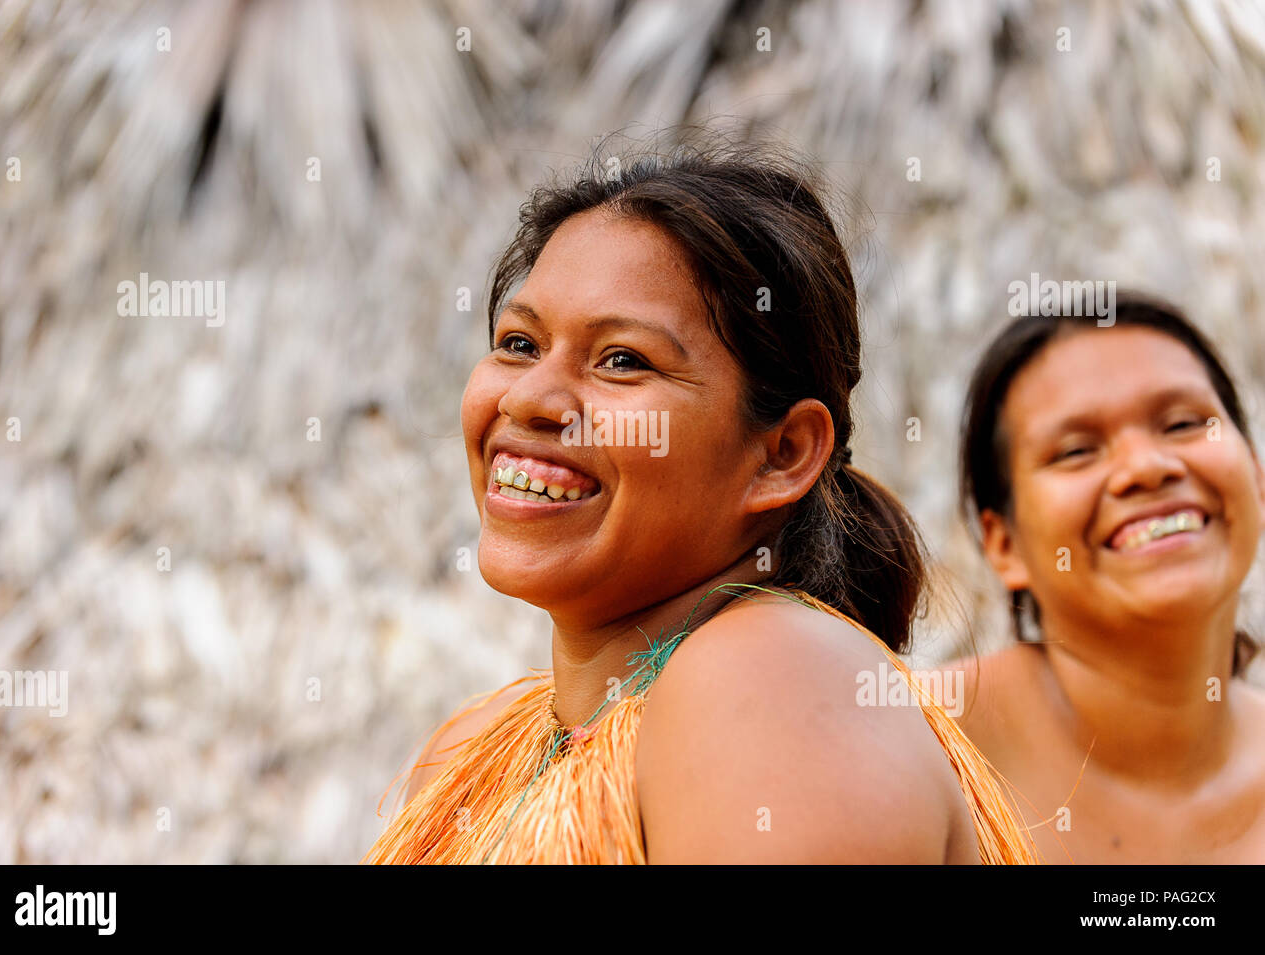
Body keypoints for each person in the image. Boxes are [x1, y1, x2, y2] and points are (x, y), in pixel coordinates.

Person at [365, 138, 1036, 864]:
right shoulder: (474, 750)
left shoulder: (773, 685)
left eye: (623, 360)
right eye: (520, 344)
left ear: (782, 455)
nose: (528, 398)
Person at [950, 294, 1265, 862]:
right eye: (1076, 451)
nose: (1147, 468)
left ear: (1257, 477)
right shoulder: (926, 744)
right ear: (1004, 545)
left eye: (1183, 423)